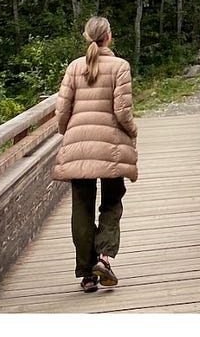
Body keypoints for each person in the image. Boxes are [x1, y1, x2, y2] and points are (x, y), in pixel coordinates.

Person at [52, 16, 138, 293]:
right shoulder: (120, 66)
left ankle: (87, 274)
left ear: (87, 38)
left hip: (79, 144)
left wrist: (70, 132)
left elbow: (62, 111)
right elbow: (123, 111)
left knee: (82, 208)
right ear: (108, 37)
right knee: (112, 201)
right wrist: (133, 130)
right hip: (110, 146)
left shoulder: (74, 67)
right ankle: (104, 256)